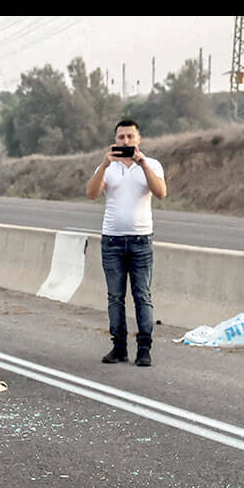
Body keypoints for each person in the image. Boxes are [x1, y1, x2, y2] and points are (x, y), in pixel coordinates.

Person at [85, 118, 167, 367]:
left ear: (139, 139)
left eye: (131, 137)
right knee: (115, 297)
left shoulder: (151, 164)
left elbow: (161, 192)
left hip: (141, 241)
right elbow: (91, 193)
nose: (126, 141)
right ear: (115, 140)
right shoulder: (108, 167)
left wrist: (142, 164)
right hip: (112, 241)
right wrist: (104, 164)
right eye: (121, 137)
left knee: (142, 296)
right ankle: (119, 347)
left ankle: (144, 349)